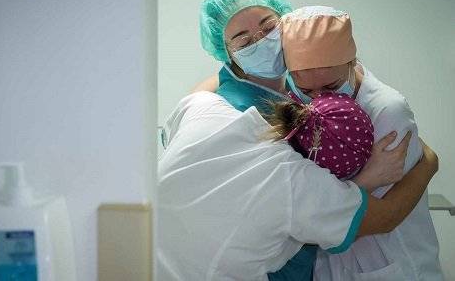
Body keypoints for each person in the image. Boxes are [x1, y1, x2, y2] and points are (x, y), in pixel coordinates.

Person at [193, 0, 442, 279]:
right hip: (284, 261)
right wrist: (426, 165)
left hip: (385, 263)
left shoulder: (370, 105)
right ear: (226, 52)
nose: (260, 42)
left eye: (269, 28)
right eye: (244, 42)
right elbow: (329, 212)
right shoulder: (249, 111)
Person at [157, 90, 438, 280]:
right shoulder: (300, 185)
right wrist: (429, 162)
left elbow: (197, 93)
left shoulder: (208, 110)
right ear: (329, 174)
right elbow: (387, 216)